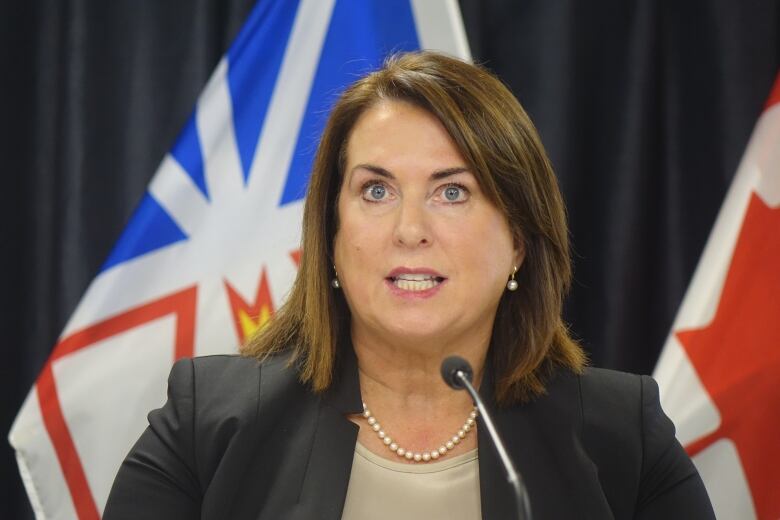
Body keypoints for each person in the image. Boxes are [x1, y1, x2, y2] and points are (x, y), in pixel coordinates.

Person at [103, 51, 715, 519]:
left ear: (519, 242)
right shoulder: (206, 424)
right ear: (332, 238)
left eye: (453, 191)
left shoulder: (620, 437)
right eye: (376, 190)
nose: (410, 229)